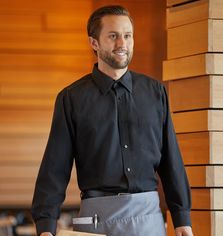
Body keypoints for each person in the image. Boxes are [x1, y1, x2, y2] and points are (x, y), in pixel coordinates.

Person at [31, 5, 193, 236]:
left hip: (149, 221)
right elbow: (55, 167)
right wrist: (46, 225)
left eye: (127, 36)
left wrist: (182, 218)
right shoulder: (71, 98)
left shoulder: (155, 92)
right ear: (94, 43)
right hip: (95, 223)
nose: (122, 44)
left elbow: (171, 160)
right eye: (113, 36)